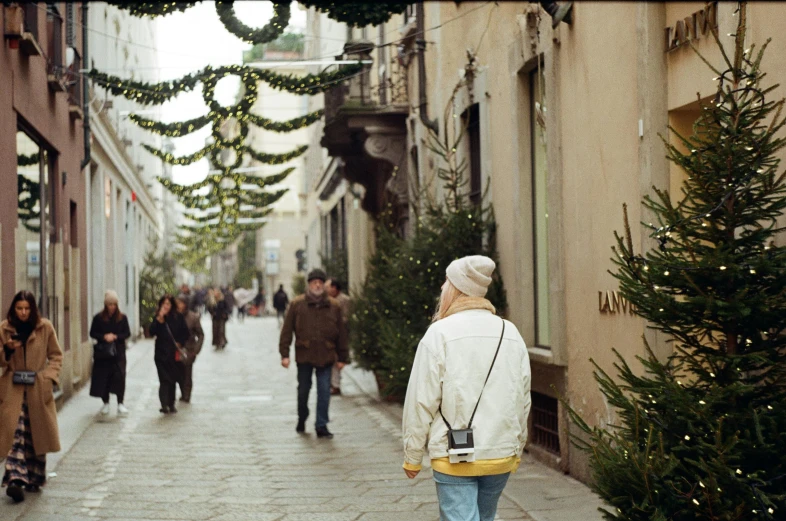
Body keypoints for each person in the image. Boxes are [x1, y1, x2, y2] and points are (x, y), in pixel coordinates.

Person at [401, 256, 531, 521]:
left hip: (454, 455)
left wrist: (412, 455)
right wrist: (517, 447)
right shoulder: (511, 332)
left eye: (446, 282)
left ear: (456, 287)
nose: (441, 288)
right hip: (499, 453)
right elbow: (522, 397)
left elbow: (420, 400)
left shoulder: (439, 334)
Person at [0, 291, 63, 503]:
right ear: (13, 309)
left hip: (37, 388)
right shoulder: (4, 329)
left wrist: (48, 378)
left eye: (27, 308)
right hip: (13, 390)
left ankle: (34, 477)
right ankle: (15, 480)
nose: (24, 313)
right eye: (19, 309)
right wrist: (7, 351)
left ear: (33, 308)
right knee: (15, 433)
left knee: (36, 433)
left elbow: (56, 355)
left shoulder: (45, 327)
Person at [279, 269, 348, 439]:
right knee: (303, 390)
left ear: (324, 285)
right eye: (313, 282)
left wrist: (343, 357)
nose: (317, 285)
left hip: (326, 354)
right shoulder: (297, 304)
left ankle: (321, 424)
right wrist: (284, 354)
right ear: (309, 284)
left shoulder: (334, 306)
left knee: (324, 390)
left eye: (320, 282)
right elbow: (287, 330)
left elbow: (342, 333)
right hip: (305, 355)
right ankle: (302, 417)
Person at [89, 290, 131, 417]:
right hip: (104, 354)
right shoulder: (98, 318)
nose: (112, 307)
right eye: (109, 304)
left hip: (118, 353)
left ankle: (120, 402)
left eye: (114, 304)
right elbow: (92, 333)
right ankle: (105, 402)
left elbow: (127, 333)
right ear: (106, 305)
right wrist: (104, 337)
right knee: (104, 377)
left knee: (120, 376)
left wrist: (116, 336)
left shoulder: (122, 318)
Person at [149, 295, 189, 414]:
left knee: (172, 379)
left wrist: (180, 343)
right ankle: (164, 404)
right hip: (161, 354)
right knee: (164, 379)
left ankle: (171, 404)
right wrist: (159, 319)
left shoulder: (178, 317)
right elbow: (151, 332)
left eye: (168, 304)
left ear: (172, 305)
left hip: (174, 354)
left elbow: (185, 333)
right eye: (164, 304)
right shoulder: (158, 317)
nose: (166, 306)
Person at [175, 295, 204, 404]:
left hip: (189, 350)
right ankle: (182, 392)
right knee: (178, 374)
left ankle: (186, 395)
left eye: (181, 303)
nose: (179, 305)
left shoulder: (193, 317)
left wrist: (196, 350)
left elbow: (201, 335)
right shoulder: (173, 316)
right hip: (176, 350)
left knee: (187, 374)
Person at [326, 279, 351, 396]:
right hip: (330, 335)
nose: (327, 290)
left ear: (335, 288)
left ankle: (335, 385)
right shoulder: (328, 300)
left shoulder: (344, 300)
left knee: (337, 360)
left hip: (340, 335)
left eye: (329, 287)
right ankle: (334, 384)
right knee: (333, 360)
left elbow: (346, 318)